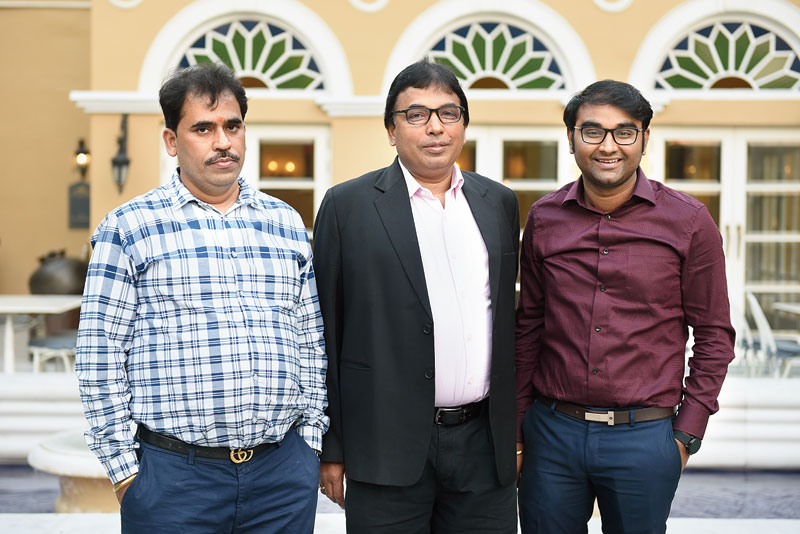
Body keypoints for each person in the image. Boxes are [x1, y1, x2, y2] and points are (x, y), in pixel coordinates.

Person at [75, 62, 327, 533]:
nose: (223, 141)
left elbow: (311, 339)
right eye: (203, 128)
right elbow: (99, 355)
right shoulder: (129, 229)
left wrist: (308, 444)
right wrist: (126, 472)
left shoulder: (286, 224)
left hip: (281, 477)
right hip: (174, 482)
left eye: (232, 126)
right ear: (172, 141)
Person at [514, 79, 736, 533]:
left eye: (624, 131)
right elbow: (528, 328)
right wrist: (519, 427)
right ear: (572, 139)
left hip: (645, 437)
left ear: (644, 139)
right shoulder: (543, 219)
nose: (608, 146)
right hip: (551, 433)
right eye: (592, 131)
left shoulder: (689, 221)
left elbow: (714, 335)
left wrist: (685, 434)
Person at [313, 58, 520, 533]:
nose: (435, 128)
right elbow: (325, 330)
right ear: (391, 129)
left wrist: (514, 435)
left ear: (464, 125)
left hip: (482, 447)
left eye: (449, 113)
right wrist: (333, 448)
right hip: (384, 447)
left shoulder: (499, 203)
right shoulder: (348, 207)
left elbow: (507, 322)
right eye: (417, 114)